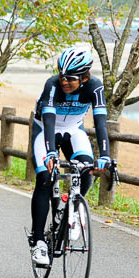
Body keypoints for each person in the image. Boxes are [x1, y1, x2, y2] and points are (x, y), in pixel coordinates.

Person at [29, 47, 109, 266]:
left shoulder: (95, 87)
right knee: (45, 178)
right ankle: (39, 243)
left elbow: (101, 122)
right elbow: (48, 120)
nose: (64, 81)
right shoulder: (52, 85)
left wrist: (105, 155)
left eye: (71, 78)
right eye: (62, 75)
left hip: (74, 130)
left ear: (84, 77)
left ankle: (71, 209)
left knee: (86, 172)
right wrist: (51, 153)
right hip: (46, 130)